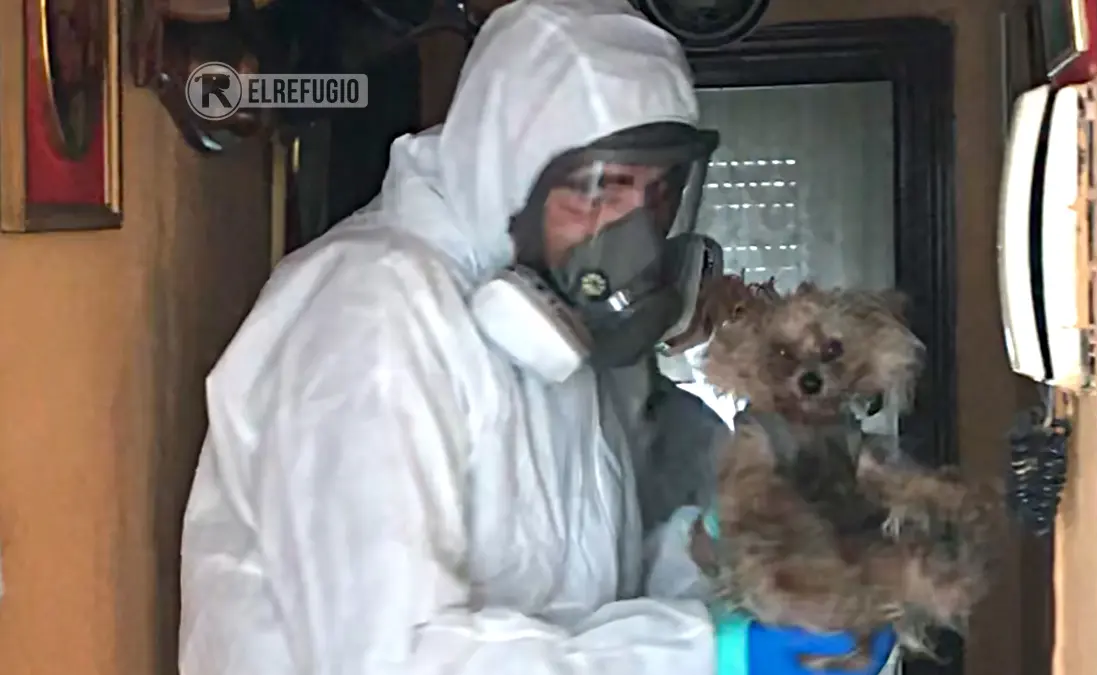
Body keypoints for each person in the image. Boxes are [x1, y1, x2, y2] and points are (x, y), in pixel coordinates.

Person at [178, 1, 898, 674]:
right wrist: (707, 655)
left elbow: (600, 589)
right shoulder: (369, 313)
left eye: (659, 194)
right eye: (602, 187)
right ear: (509, 172)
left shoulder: (558, 336)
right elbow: (390, 657)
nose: (635, 235)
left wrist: (743, 559)